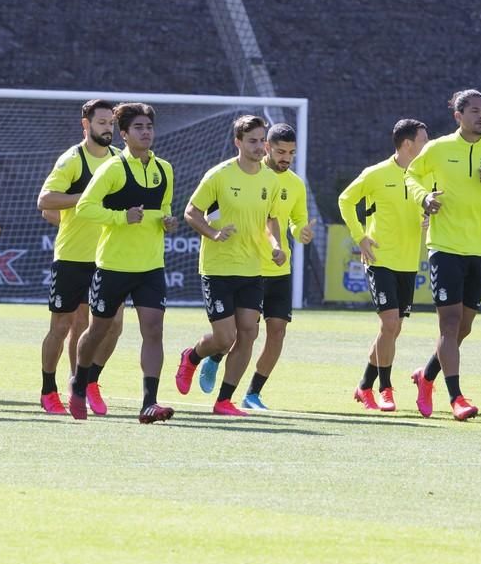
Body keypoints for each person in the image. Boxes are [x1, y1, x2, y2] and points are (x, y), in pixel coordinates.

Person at [405, 89, 481, 421]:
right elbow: (411, 175)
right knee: (449, 324)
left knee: (462, 328)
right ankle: (456, 398)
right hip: (445, 247)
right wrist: (424, 198)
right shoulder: (438, 148)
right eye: (474, 111)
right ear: (458, 115)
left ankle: (425, 376)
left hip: (479, 248)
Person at [72, 102, 178, 424]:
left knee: (154, 330)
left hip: (150, 266)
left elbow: (164, 208)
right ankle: (79, 383)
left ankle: (149, 402)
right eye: (138, 128)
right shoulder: (113, 169)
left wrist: (167, 222)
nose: (146, 133)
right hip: (113, 266)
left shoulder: (165, 169)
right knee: (98, 330)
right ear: (124, 134)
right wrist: (121, 217)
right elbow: (85, 208)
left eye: (149, 127)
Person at [197, 123, 315, 410]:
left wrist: (301, 232)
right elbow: (204, 213)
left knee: (276, 331)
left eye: (292, 152)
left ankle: (252, 393)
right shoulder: (238, 175)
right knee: (234, 335)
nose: (286, 157)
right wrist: (215, 232)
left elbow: (295, 220)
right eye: (280, 151)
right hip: (249, 266)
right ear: (266, 148)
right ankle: (213, 356)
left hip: (278, 267)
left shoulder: (295, 184)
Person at [175, 115, 285, 416]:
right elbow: (191, 212)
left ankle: (224, 400)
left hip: (252, 267)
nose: (259, 146)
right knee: (225, 337)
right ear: (238, 142)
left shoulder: (270, 180)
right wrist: (213, 233)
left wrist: (276, 246)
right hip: (218, 267)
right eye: (252, 141)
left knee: (248, 333)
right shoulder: (219, 175)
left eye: (262, 140)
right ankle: (193, 356)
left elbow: (271, 219)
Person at [35, 99, 124, 415]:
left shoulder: (119, 160)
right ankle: (48, 390)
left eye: (110, 123)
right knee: (64, 326)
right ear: (86, 125)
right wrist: (82, 199)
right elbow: (45, 200)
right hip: (72, 257)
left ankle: (86, 383)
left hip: (108, 258)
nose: (107, 128)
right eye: (101, 122)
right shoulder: (72, 160)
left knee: (113, 325)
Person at [337, 119, 428, 412]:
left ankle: (364, 386)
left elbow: (429, 212)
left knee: (392, 330)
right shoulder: (376, 174)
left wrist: (428, 220)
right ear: (407, 144)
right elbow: (345, 200)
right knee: (389, 324)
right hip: (380, 259)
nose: (429, 146)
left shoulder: (426, 177)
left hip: (408, 261)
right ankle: (385, 389)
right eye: (424, 140)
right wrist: (360, 237)